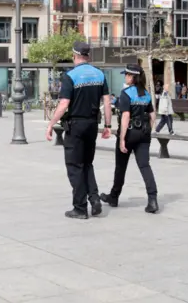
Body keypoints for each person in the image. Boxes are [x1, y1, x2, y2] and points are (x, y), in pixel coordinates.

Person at [46, 41, 112, 220]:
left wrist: (51, 123)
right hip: (92, 124)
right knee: (87, 164)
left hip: (75, 125)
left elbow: (64, 104)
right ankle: (95, 199)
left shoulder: (70, 76)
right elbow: (107, 102)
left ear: (75, 55)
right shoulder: (99, 74)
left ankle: (80, 208)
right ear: (88, 56)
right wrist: (107, 126)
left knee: (75, 166)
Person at [100, 64, 159, 213]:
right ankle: (152, 200)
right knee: (145, 166)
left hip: (130, 133)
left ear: (132, 77)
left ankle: (114, 197)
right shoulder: (145, 93)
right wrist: (148, 130)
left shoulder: (126, 93)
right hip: (144, 134)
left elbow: (125, 116)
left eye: (126, 74)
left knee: (121, 167)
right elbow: (152, 115)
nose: (125, 77)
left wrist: (122, 139)